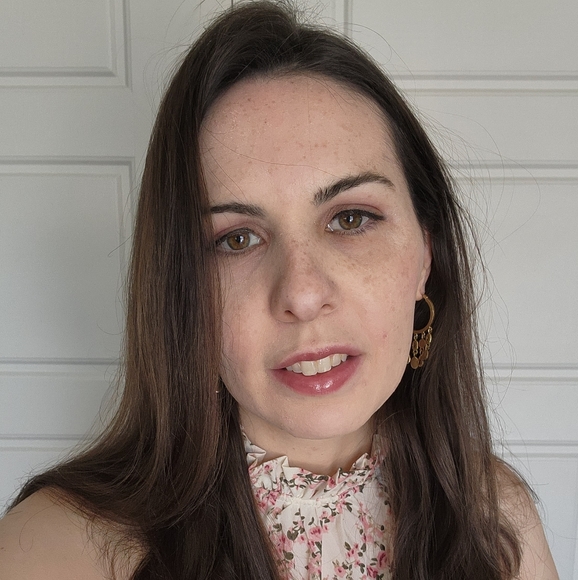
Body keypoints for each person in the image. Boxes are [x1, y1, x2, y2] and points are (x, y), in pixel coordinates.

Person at [0, 2, 558, 579]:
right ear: (181, 290)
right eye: (237, 238)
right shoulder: (52, 553)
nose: (303, 294)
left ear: (425, 254)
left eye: (350, 219)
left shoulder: (497, 520)